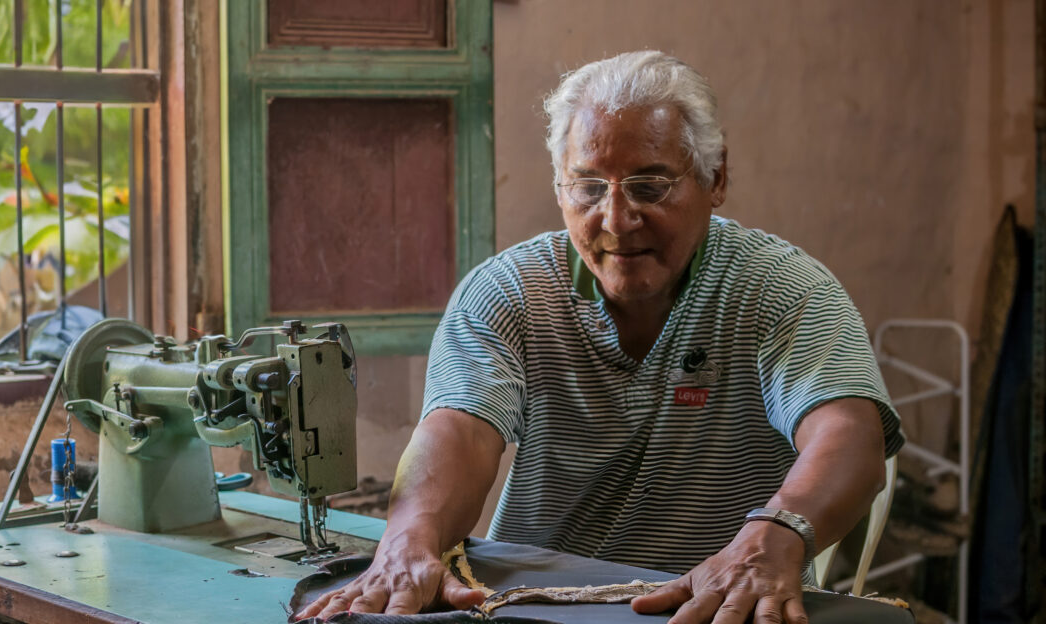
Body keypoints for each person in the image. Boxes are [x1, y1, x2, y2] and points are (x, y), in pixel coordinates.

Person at [297, 50, 903, 623]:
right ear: (559, 188)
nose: (616, 220)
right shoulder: (510, 294)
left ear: (715, 179)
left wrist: (776, 537)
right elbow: (459, 430)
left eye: (650, 185)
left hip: (712, 602)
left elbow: (849, 434)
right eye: (587, 187)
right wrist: (409, 539)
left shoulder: (777, 288)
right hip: (532, 602)